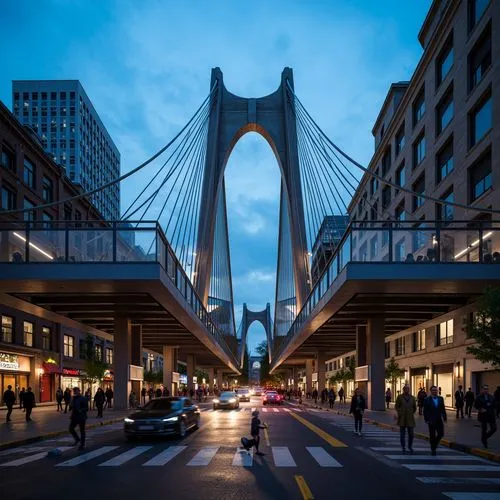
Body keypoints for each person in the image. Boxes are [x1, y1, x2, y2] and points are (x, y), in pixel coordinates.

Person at [423, 385, 447, 455]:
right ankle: (433, 449)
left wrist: (444, 417)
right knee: (432, 435)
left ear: (437, 391)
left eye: (436, 390)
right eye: (433, 390)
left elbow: (443, 408)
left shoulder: (440, 398)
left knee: (441, 433)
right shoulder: (427, 399)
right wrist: (426, 419)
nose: (435, 392)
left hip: (439, 419)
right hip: (431, 420)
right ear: (431, 391)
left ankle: (434, 444)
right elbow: (425, 411)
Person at [395, 384, 417, 453]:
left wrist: (410, 413)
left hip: (410, 418)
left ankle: (410, 446)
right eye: (405, 389)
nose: (407, 390)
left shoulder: (413, 398)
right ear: (403, 390)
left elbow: (414, 408)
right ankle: (403, 447)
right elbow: (397, 406)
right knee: (402, 434)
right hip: (402, 418)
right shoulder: (399, 397)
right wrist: (400, 412)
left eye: (408, 389)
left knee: (411, 433)